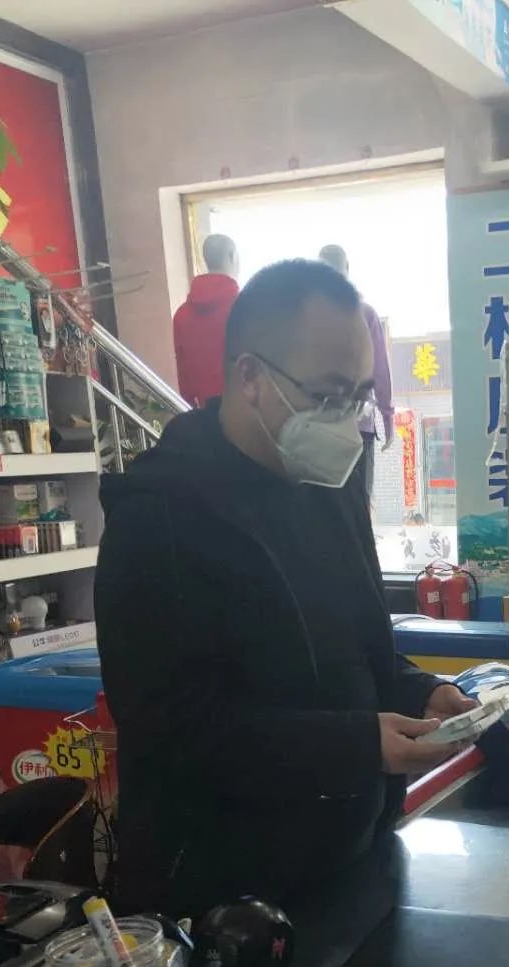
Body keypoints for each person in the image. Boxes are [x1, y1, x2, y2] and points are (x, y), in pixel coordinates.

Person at [96, 259, 474, 917]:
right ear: (250, 377)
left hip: (349, 860)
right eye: (328, 395)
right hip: (223, 900)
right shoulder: (160, 514)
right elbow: (173, 730)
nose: (345, 419)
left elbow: (356, 650)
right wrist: (356, 746)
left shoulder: (329, 487)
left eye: (358, 396)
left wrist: (419, 691)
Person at [319, 244, 394, 499]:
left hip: (321, 426)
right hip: (358, 424)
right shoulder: (365, 313)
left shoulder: (307, 318)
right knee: (360, 501)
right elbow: (380, 371)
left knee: (327, 502)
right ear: (347, 269)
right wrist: (387, 417)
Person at [172, 233, 240, 407]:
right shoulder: (244, 307)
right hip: (246, 409)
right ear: (232, 256)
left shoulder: (182, 315)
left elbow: (183, 374)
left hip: (205, 410)